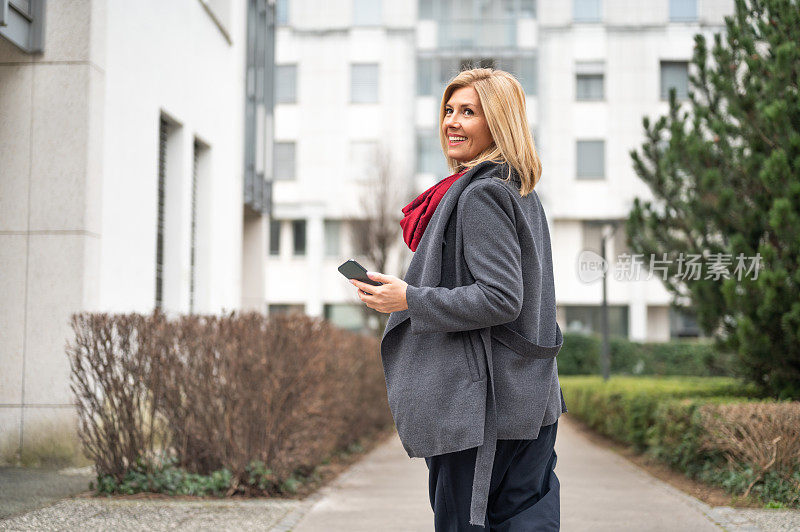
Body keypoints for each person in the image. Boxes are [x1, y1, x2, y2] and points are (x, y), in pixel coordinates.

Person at [349, 67, 567, 531]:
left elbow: (501, 298)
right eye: (449, 110)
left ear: (499, 123)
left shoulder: (482, 195)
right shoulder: (519, 190)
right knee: (529, 519)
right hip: (527, 399)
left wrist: (409, 298)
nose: (452, 121)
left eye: (468, 112)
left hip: (480, 410)